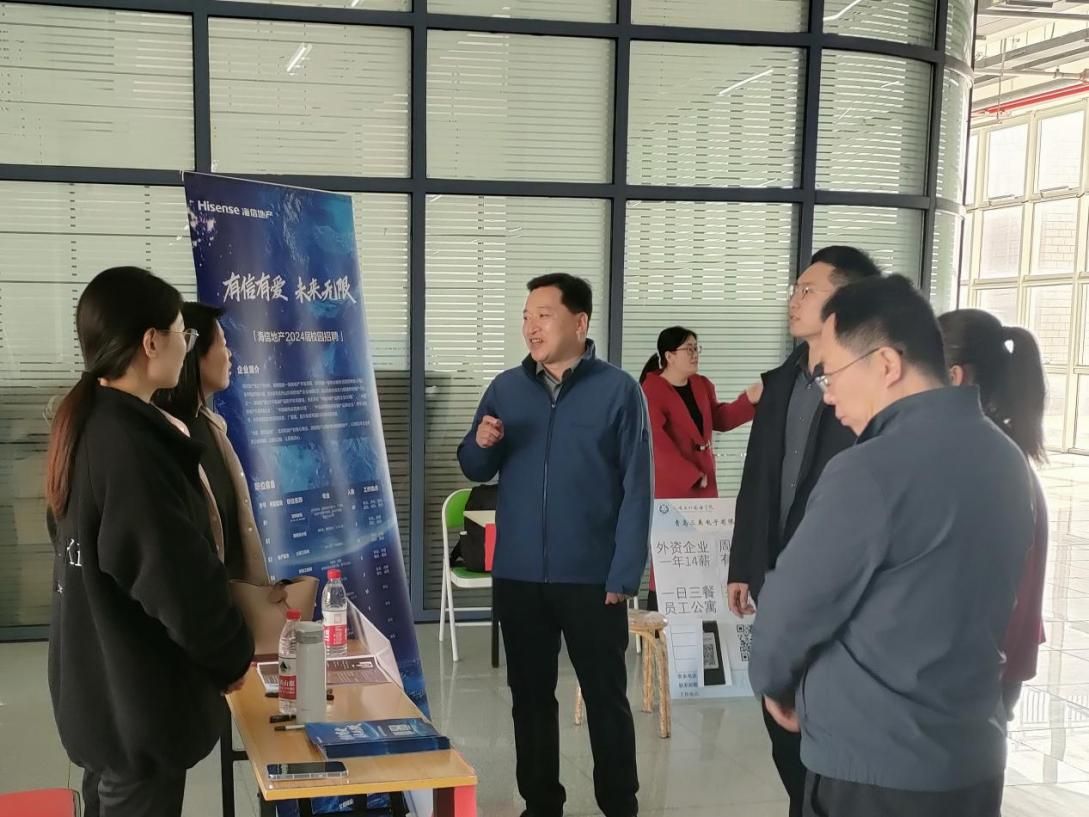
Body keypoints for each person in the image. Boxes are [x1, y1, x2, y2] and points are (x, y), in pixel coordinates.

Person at [749, 275, 1035, 817]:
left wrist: (774, 685)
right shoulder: (1004, 457)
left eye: (832, 373)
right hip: (972, 758)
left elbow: (791, 609)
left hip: (875, 767)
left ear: (885, 363)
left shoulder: (869, 470)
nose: (828, 393)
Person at [46, 267, 254, 817]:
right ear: (151, 342)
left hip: (105, 695)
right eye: (183, 333)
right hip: (134, 701)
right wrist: (232, 654)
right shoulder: (129, 447)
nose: (188, 346)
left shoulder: (92, 425)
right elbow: (177, 582)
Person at [458, 273, 652, 817]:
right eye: (526, 316)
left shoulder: (619, 391)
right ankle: (541, 804)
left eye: (543, 315)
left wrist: (625, 573)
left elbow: (638, 487)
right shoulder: (506, 388)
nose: (531, 327)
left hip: (592, 578)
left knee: (606, 699)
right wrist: (481, 442)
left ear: (579, 322)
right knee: (530, 700)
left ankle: (620, 804)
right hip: (519, 575)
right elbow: (474, 466)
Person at [725, 245, 881, 815]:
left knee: (829, 716)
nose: (794, 300)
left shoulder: (869, 386)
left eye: (808, 290)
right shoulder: (782, 381)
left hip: (840, 587)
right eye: (795, 289)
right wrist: (743, 564)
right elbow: (756, 480)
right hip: (778, 577)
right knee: (780, 714)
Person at [939, 309, 1049, 717]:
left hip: (971, 671)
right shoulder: (999, 449)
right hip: (989, 663)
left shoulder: (978, 459)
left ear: (954, 376)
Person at [639, 326, 762, 609]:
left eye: (696, 348)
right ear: (669, 356)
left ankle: (704, 611)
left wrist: (749, 400)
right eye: (688, 349)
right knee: (673, 556)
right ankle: (663, 610)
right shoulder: (651, 390)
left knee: (705, 555)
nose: (695, 354)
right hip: (675, 489)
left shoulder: (702, 385)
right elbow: (657, 445)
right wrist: (691, 476)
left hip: (705, 485)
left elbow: (721, 419)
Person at [154, 302, 269, 584]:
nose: (230, 355)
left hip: (231, 599)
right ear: (194, 352)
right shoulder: (160, 435)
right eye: (223, 343)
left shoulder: (212, 426)